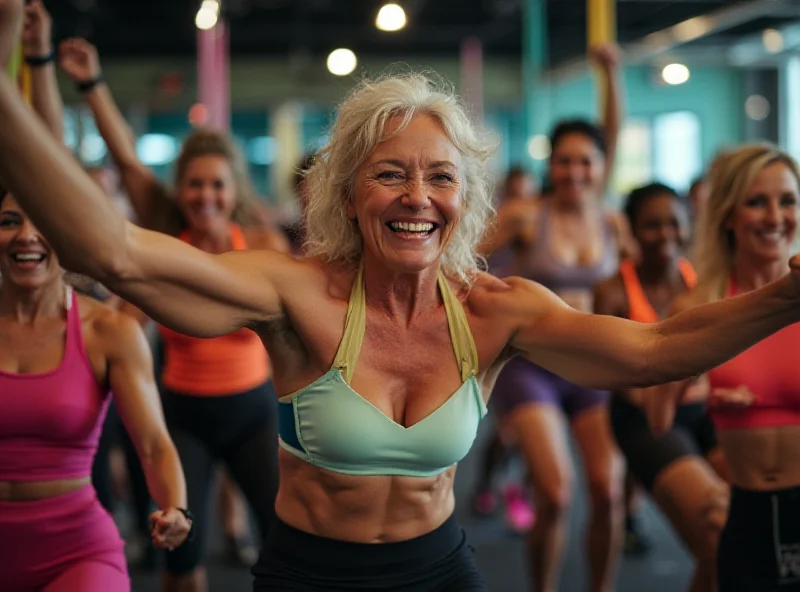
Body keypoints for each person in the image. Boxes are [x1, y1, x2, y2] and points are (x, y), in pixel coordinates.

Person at [2, 6, 800, 587]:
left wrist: (790, 297)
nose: (418, 196)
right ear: (348, 196)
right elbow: (111, 251)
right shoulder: (294, 293)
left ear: (466, 199)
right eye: (391, 173)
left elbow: (654, 352)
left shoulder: (495, 310)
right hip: (309, 573)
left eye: (440, 176)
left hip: (441, 568)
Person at [57, 36, 283, 588]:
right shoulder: (165, 250)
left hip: (255, 412)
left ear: (233, 192)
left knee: (287, 547)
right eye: (194, 185)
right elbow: (127, 159)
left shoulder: (262, 245)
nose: (205, 196)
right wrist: (90, 84)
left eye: (216, 185)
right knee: (182, 556)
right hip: (185, 416)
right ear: (180, 191)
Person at [482, 45, 634, 592]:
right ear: (552, 165)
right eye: (564, 161)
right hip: (532, 365)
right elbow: (458, 254)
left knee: (607, 490)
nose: (574, 171)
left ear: (599, 168)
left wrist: (610, 75)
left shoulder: (610, 221)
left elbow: (612, 134)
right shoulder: (526, 216)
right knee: (557, 491)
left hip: (591, 368)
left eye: (585, 161)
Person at [0, 184, 191, 590]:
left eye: (43, 223)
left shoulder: (109, 332)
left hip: (75, 550)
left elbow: (154, 444)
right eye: (9, 222)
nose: (26, 235)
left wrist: (176, 508)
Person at [646, 144, 800, 591]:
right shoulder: (701, 306)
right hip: (743, 507)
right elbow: (659, 418)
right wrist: (704, 391)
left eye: (787, 200)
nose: (775, 217)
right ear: (729, 216)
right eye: (757, 202)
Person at [594, 182, 727, 591]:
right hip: (642, 418)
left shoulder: (702, 283)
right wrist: (663, 390)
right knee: (717, 530)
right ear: (632, 230)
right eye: (652, 226)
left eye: (674, 224)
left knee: (740, 535)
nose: (666, 235)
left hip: (706, 413)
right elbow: (613, 377)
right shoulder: (613, 291)